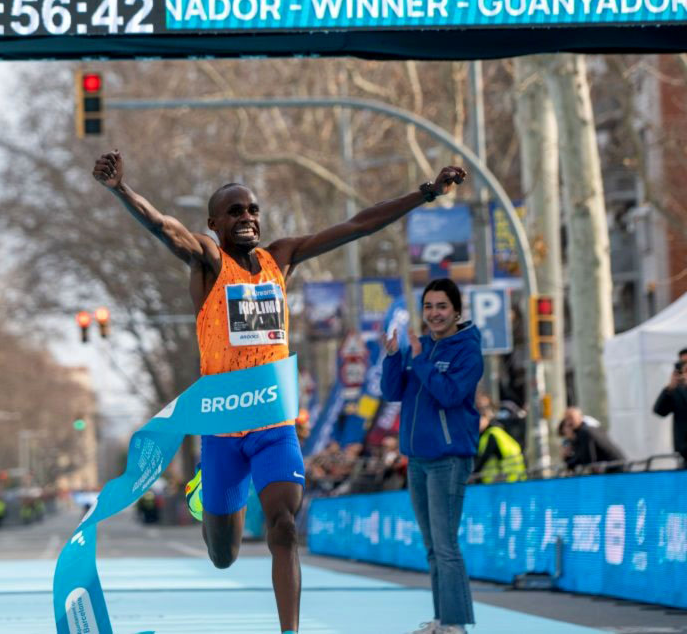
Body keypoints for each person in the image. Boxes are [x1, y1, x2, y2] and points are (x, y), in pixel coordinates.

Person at [92, 149, 465, 634]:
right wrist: (122, 189)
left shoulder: (280, 259)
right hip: (224, 427)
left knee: (285, 529)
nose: (247, 217)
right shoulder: (209, 263)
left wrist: (427, 192)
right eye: (235, 211)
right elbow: (164, 227)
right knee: (223, 556)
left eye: (252, 210)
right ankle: (205, 491)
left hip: (273, 423)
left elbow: (359, 225)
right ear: (214, 223)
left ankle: (289, 631)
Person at [381, 278, 483, 634]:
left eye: (442, 307)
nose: (434, 314)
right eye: (428, 307)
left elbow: (450, 395)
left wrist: (421, 361)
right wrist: (394, 357)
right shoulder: (418, 346)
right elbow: (393, 392)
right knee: (432, 547)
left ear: (456, 311)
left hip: (449, 458)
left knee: (446, 544)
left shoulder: (467, 350)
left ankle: (455, 623)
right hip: (418, 460)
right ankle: (442, 619)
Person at [560, 407, 626, 473]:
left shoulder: (585, 431)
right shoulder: (586, 429)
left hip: (615, 468)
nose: (569, 422)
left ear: (580, 417)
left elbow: (587, 458)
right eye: (567, 419)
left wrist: (569, 462)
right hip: (615, 467)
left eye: (571, 418)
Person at [473, 401, 526, 483]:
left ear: (486, 418)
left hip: (507, 480)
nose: (477, 424)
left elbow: (483, 458)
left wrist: (472, 475)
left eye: (479, 420)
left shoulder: (492, 434)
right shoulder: (496, 431)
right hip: (515, 478)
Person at [652, 348, 687, 467]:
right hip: (684, 453)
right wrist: (670, 388)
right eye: (682, 364)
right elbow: (659, 411)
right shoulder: (676, 390)